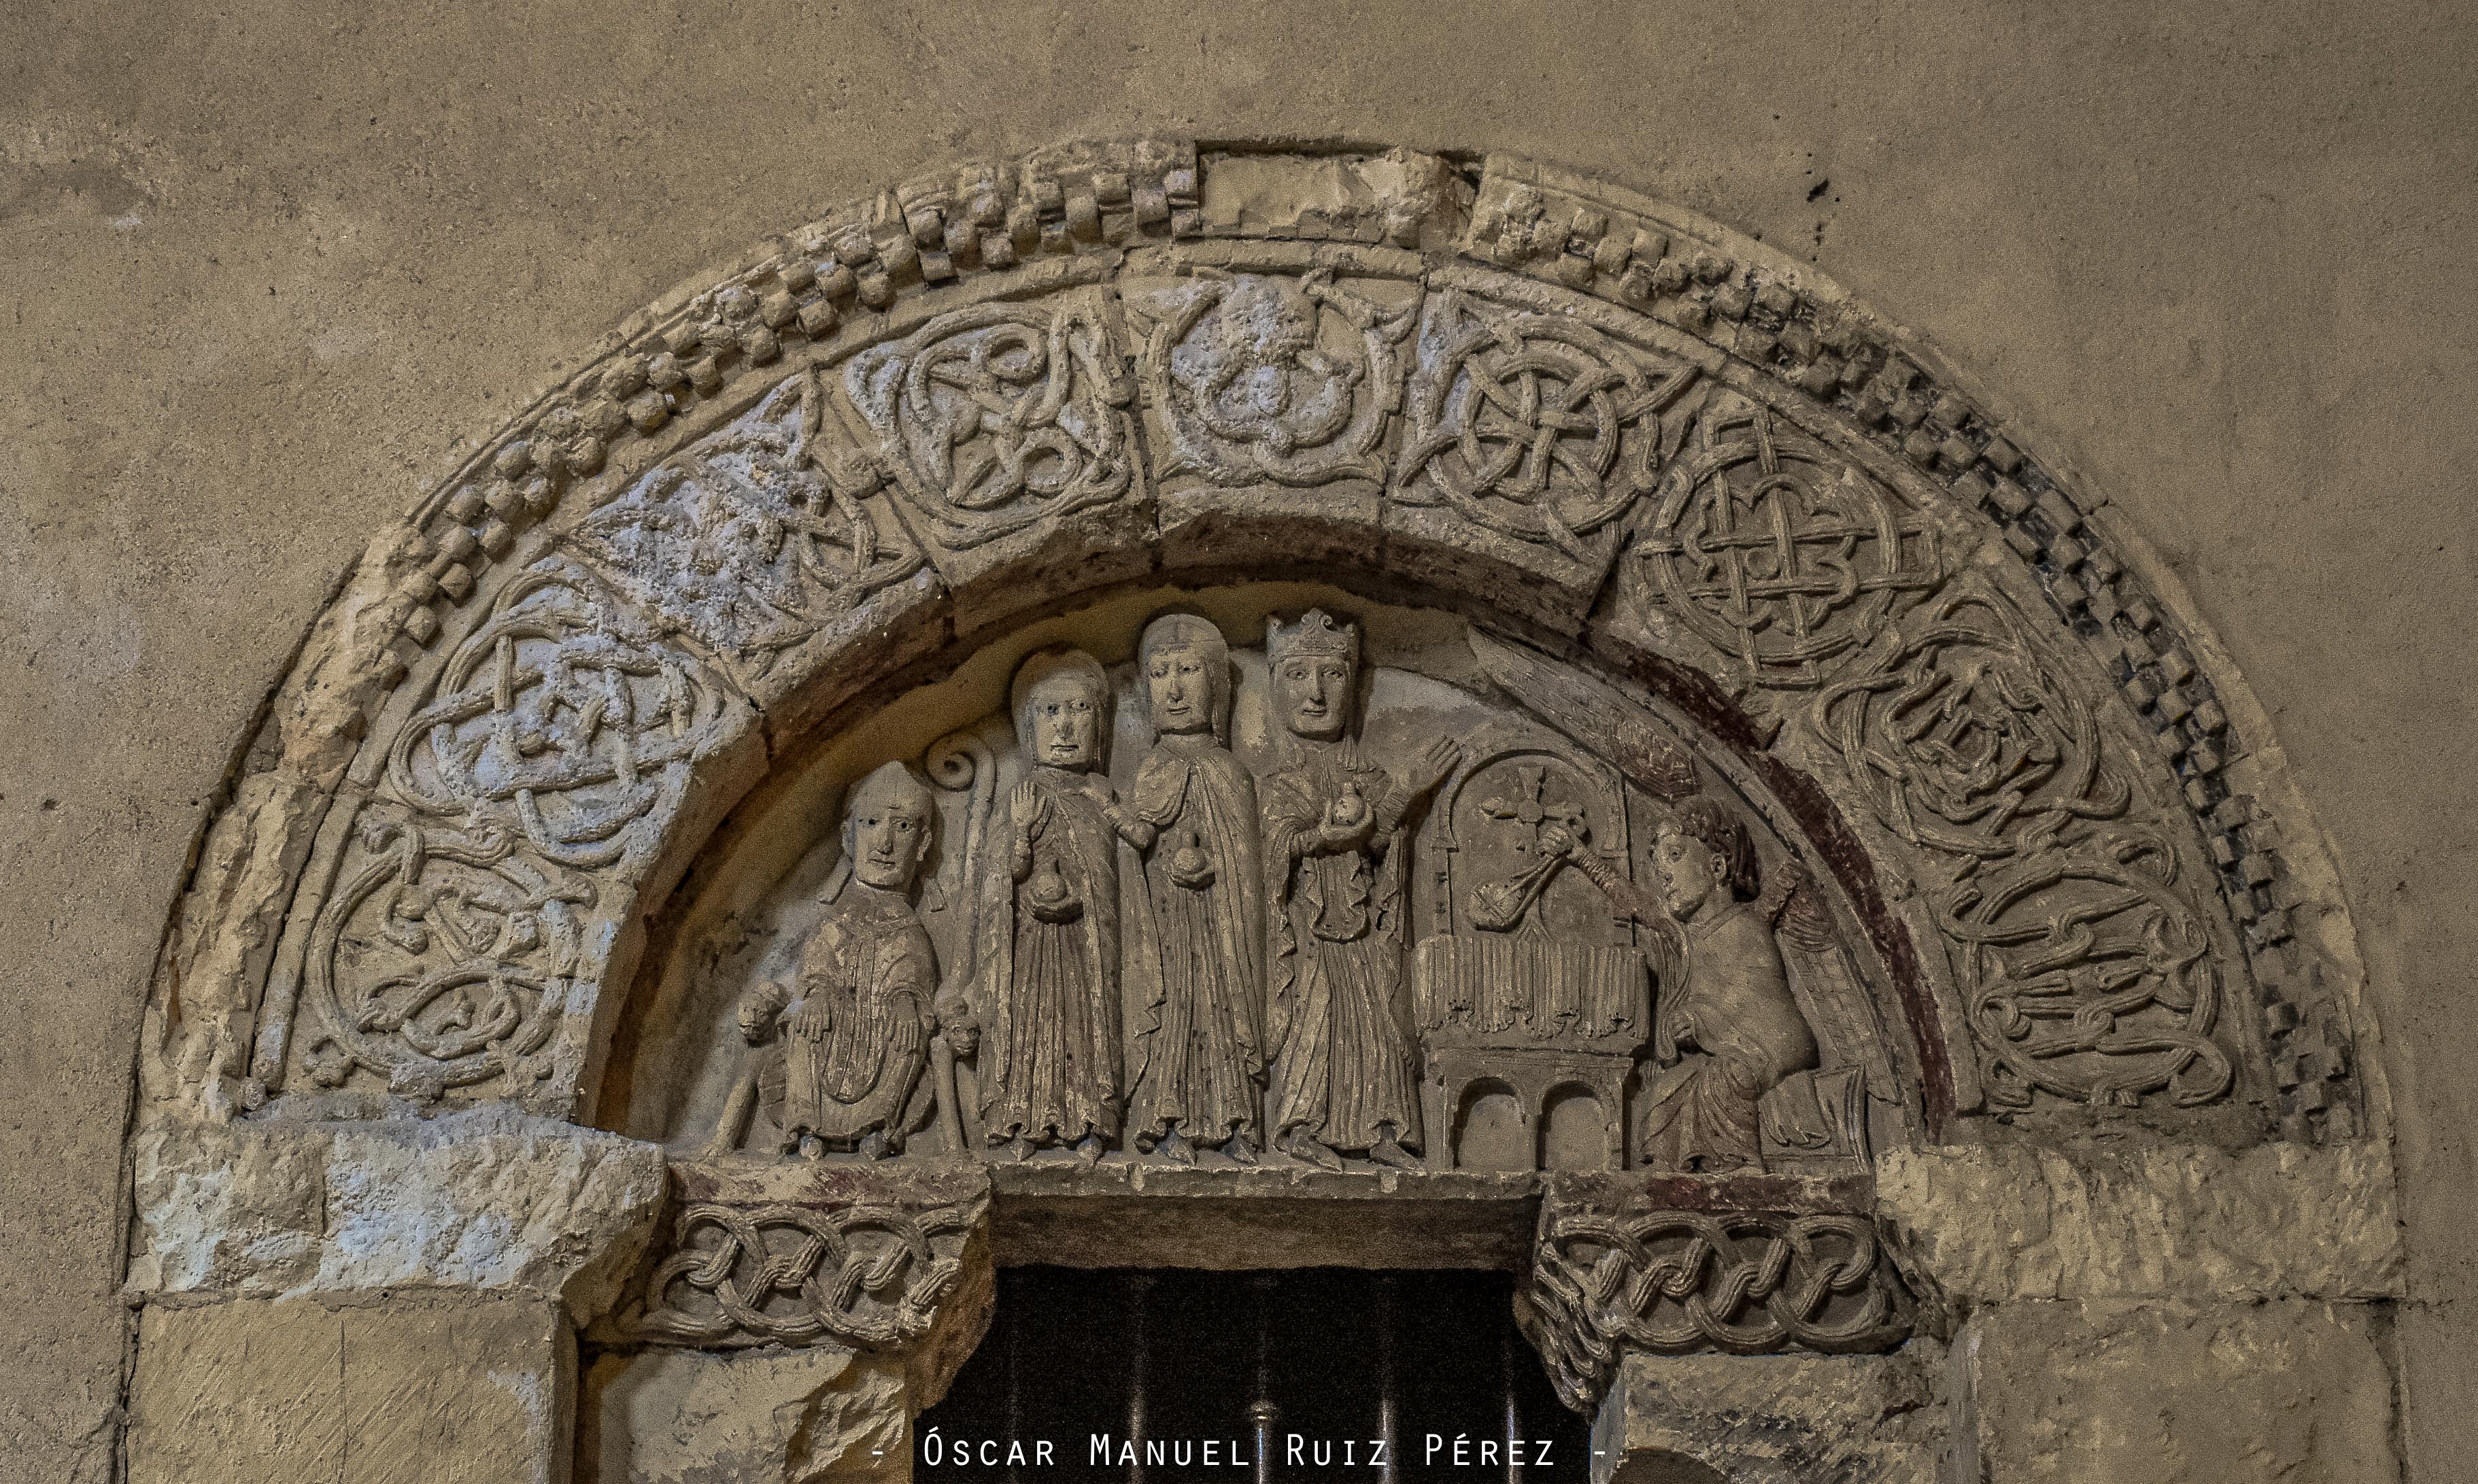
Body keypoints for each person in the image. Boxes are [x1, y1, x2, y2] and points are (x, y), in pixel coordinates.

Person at [1258, 609, 1459, 1170]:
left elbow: (1378, 848)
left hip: (1365, 929)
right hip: (1308, 934)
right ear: (1274, 686)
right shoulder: (1277, 783)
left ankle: (1384, 1128)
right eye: (1298, 676)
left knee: (1376, 1019)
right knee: (1316, 1015)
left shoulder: (1369, 776)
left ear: (1356, 685)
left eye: (1334, 675)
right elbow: (1276, 849)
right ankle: (1301, 1125)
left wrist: (1405, 792)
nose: (1317, 694)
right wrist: (1319, 836)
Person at [1540, 797, 1818, 1171]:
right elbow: (1637, 903)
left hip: (1772, 1052)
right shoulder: (1690, 934)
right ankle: (1689, 1173)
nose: (1663, 876)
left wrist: (1700, 1021)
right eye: (1657, 867)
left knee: (1715, 1082)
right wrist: (1579, 855)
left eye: (1674, 856)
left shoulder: (1744, 929)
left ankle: (1740, 1164)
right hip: (1732, 1054)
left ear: (1717, 867)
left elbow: (1756, 1010)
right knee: (1667, 1091)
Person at [738, 759, 941, 1160]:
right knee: (804, 1021)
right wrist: (817, 994)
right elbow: (816, 968)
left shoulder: (909, 928)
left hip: (880, 1032)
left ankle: (880, 1124)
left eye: (901, 828)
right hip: (831, 1025)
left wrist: (905, 1000)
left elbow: (913, 975)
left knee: (910, 1027)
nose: (884, 844)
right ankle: (806, 1124)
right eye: (870, 824)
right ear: (848, 839)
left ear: (922, 846)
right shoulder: (835, 918)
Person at [1121, 614, 1268, 1164]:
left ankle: (1237, 1123)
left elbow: (1249, 882)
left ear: (1217, 686)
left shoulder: (1232, 774)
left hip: (1222, 937)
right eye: (1161, 673)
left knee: (1221, 1010)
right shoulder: (1148, 772)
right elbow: (1128, 864)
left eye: (1188, 670)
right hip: (1164, 935)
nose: (1176, 687)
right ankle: (1166, 1121)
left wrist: (1214, 872)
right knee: (1173, 1013)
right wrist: (1161, 868)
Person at [977, 647, 1125, 1162]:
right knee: (1032, 1028)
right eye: (1050, 712)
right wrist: (1020, 835)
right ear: (1028, 725)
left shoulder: (1102, 797)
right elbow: (1002, 883)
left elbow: (1119, 885)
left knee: (1086, 1030)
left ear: (1100, 724)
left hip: (1088, 948)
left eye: (1078, 710)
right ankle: (1024, 1120)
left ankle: (1090, 1122)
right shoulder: (1021, 798)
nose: (1064, 727)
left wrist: (1085, 897)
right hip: (1032, 950)